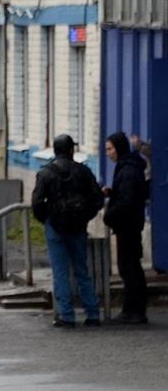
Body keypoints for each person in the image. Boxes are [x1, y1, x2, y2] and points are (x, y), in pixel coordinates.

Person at [30, 134, 105, 328]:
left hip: (55, 227)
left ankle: (66, 315)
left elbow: (37, 203)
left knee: (60, 272)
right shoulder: (83, 171)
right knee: (82, 271)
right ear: (71, 150)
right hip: (78, 227)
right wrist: (84, 217)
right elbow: (97, 199)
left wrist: (47, 218)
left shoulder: (46, 173)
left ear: (55, 150)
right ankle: (93, 313)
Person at [103, 131, 149, 324]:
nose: (108, 153)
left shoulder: (128, 170)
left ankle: (134, 311)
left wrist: (109, 215)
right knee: (130, 267)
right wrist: (113, 193)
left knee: (129, 268)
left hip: (127, 225)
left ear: (119, 148)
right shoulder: (127, 167)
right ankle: (132, 310)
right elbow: (127, 194)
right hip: (130, 224)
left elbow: (127, 200)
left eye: (110, 149)